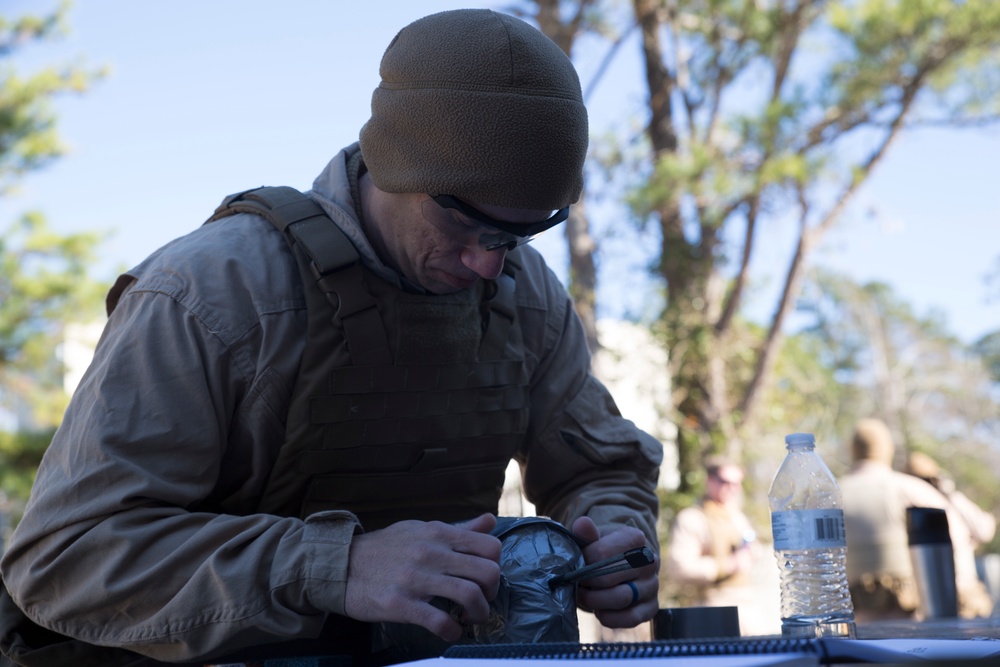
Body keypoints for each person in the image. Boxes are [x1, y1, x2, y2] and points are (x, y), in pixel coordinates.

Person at [0, 10, 662, 666]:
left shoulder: (525, 293)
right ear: (391, 164)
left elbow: (599, 469)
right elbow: (64, 558)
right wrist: (336, 565)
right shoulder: (216, 291)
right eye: (465, 224)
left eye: (516, 235)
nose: (489, 264)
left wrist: (612, 541)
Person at [839, 418, 992, 622]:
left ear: (852, 450)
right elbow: (957, 542)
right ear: (887, 449)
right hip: (911, 621)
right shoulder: (907, 489)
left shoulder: (829, 495)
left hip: (849, 625)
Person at [663, 457, 768, 634]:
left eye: (737, 484)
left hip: (747, 604)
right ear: (709, 481)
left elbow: (753, 551)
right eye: (725, 482)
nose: (732, 489)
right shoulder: (692, 518)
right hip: (712, 607)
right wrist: (726, 565)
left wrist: (751, 554)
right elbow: (680, 567)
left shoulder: (736, 516)